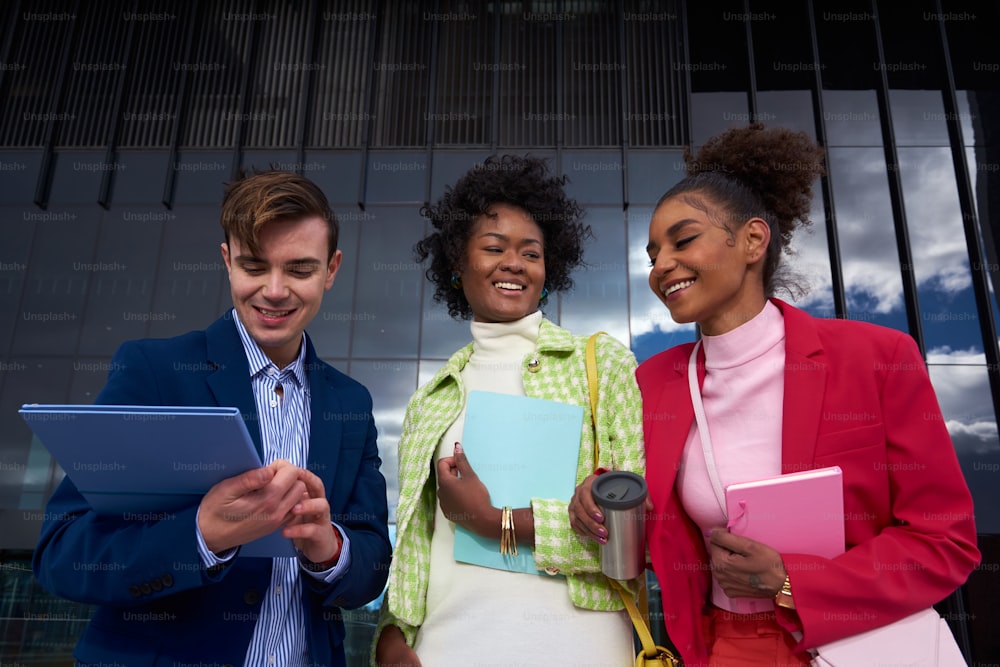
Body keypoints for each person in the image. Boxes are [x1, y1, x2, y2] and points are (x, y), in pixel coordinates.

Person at [614, 123, 980, 666]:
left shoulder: (876, 356)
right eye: (652, 254)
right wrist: (599, 502)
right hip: (730, 648)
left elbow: (945, 542)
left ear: (753, 241)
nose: (661, 264)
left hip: (865, 642)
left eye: (683, 240)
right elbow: (645, 522)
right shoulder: (654, 382)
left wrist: (792, 582)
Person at [32, 170, 392, 667]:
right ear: (227, 261)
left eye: (300, 270)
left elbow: (372, 563)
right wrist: (202, 535)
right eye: (253, 265)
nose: (274, 290)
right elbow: (63, 554)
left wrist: (330, 548)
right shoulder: (154, 372)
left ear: (332, 269)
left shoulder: (352, 403)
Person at [372, 154, 644, 666]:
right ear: (457, 264)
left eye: (531, 253)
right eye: (493, 248)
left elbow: (632, 539)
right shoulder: (432, 397)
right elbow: (418, 537)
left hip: (575, 646)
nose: (514, 263)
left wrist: (492, 520)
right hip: (446, 644)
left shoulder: (601, 365)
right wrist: (393, 630)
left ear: (549, 267)